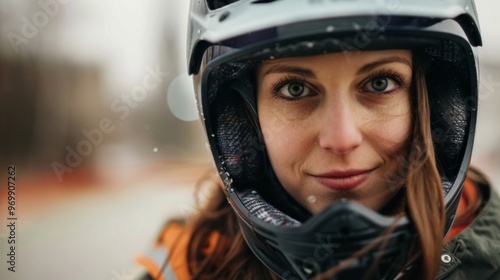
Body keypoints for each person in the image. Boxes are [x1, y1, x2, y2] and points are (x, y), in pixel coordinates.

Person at [137, 0, 500, 279]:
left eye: (379, 83)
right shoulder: (184, 265)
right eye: (295, 89)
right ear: (243, 118)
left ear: (434, 104)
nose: (341, 139)